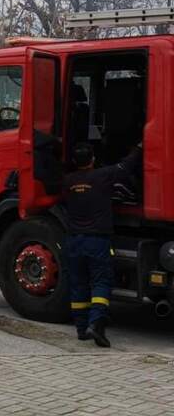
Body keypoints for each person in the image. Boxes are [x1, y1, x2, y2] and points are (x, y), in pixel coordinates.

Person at [62, 142, 142, 348]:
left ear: (74, 161)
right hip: (97, 240)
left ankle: (81, 329)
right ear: (93, 159)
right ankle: (96, 324)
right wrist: (140, 147)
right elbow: (125, 167)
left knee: (78, 284)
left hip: (73, 241)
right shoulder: (103, 175)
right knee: (101, 282)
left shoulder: (67, 181)